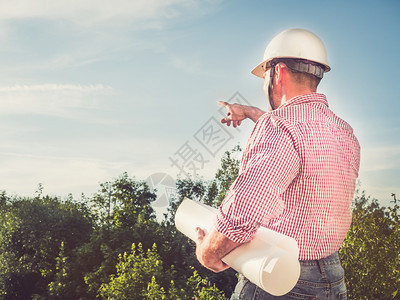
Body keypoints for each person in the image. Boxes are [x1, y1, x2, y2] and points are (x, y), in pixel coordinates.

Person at [195, 28, 360, 299]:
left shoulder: (279, 126)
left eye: (265, 77)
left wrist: (208, 252)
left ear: (279, 72)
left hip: (279, 279)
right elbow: (300, 140)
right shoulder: (344, 131)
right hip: (332, 277)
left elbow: (244, 211)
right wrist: (249, 112)